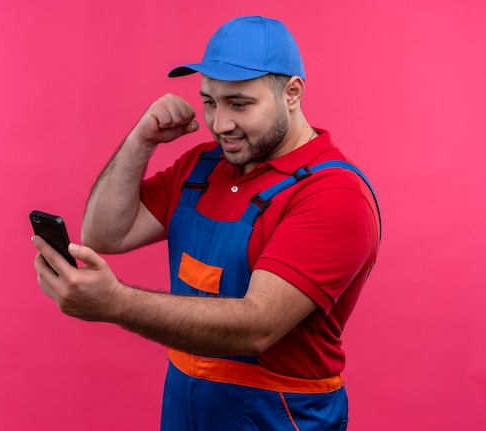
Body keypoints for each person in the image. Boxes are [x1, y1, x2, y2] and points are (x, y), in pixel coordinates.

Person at [32, 15, 381, 431]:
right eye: (210, 101)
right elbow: (105, 233)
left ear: (292, 92)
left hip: (279, 419)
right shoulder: (202, 166)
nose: (220, 125)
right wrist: (140, 140)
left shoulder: (333, 194)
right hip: (186, 409)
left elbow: (257, 326)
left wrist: (116, 304)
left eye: (239, 103)